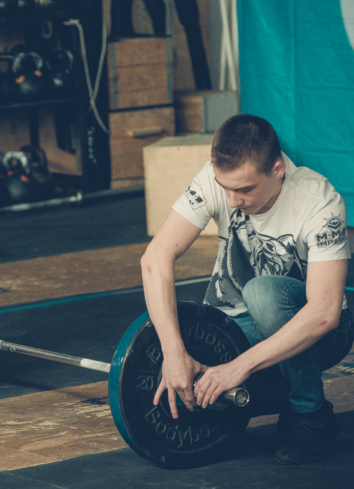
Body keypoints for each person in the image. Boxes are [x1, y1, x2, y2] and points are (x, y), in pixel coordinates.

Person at [141, 114, 354, 465]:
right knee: (171, 352)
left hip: (322, 332)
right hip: (238, 325)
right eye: (226, 188)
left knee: (262, 293)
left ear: (278, 169)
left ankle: (310, 414)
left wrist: (238, 367)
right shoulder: (217, 181)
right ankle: (269, 388)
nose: (233, 200)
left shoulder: (320, 202)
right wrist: (175, 353)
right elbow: (155, 259)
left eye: (245, 189)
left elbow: (324, 313)